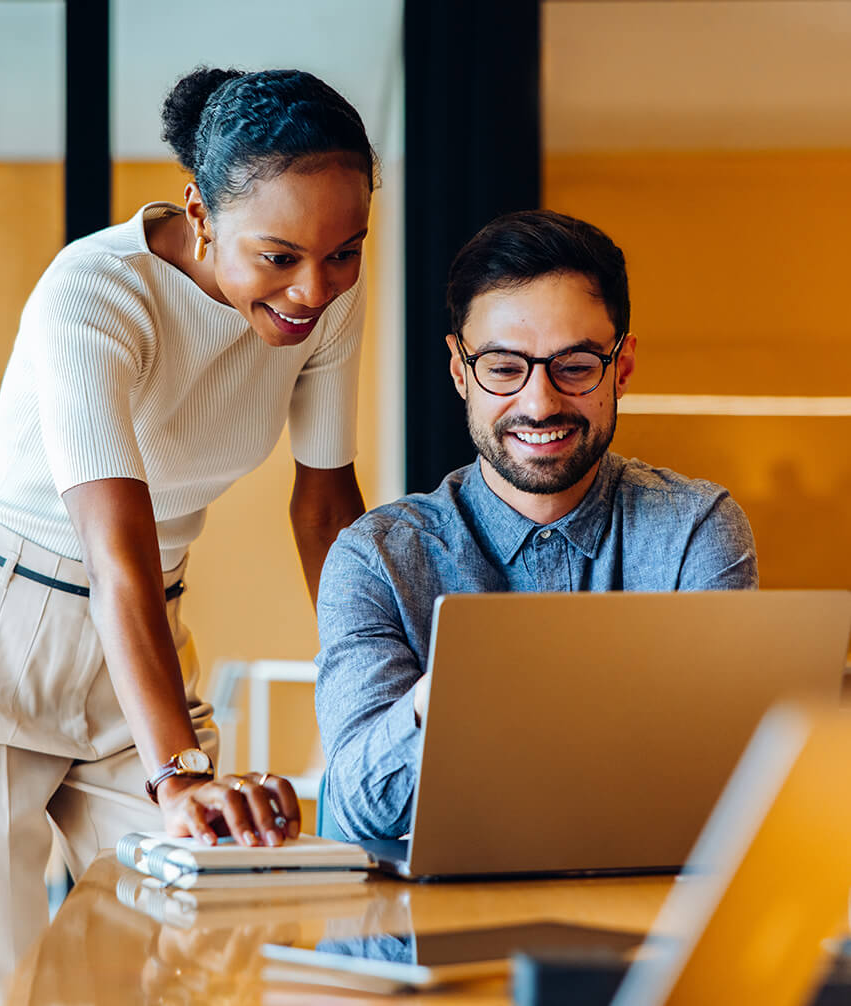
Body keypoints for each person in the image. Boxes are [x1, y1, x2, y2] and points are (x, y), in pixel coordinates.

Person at [0, 66, 376, 1005]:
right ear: (199, 210)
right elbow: (117, 551)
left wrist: (375, 691)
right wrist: (179, 769)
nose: (316, 287)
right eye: (279, 257)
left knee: (202, 955)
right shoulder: (94, 293)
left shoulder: (324, 298)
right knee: (0, 986)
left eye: (345, 250)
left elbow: (326, 510)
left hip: (137, 646)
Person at [315, 209, 758, 841]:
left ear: (622, 367)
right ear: (459, 371)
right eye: (502, 368)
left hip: (638, 919)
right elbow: (363, 806)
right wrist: (457, 690)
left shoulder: (696, 531)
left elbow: (728, 783)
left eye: (575, 365)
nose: (540, 402)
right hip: (433, 929)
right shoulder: (376, 558)